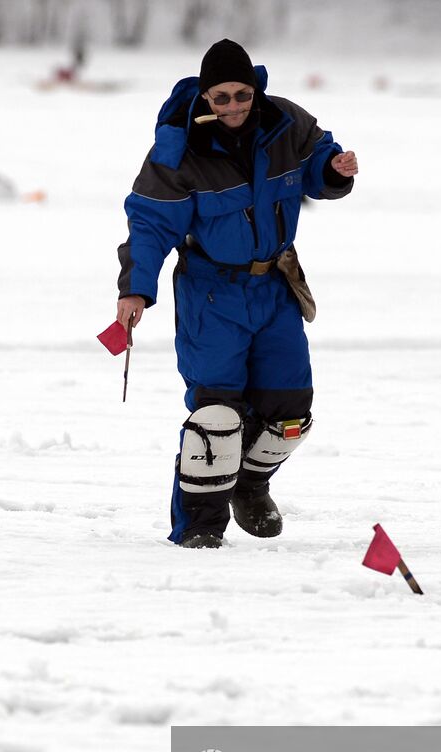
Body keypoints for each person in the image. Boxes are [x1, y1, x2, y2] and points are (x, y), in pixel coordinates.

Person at [115, 38, 358, 549]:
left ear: (256, 88)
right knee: (217, 417)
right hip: (211, 294)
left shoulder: (285, 123)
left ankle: (249, 485)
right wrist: (136, 289)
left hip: (275, 287)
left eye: (241, 94)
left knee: (290, 415)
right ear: (205, 96)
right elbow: (150, 224)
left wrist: (334, 172)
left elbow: (317, 163)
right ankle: (199, 528)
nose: (233, 106)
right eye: (220, 96)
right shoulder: (178, 148)